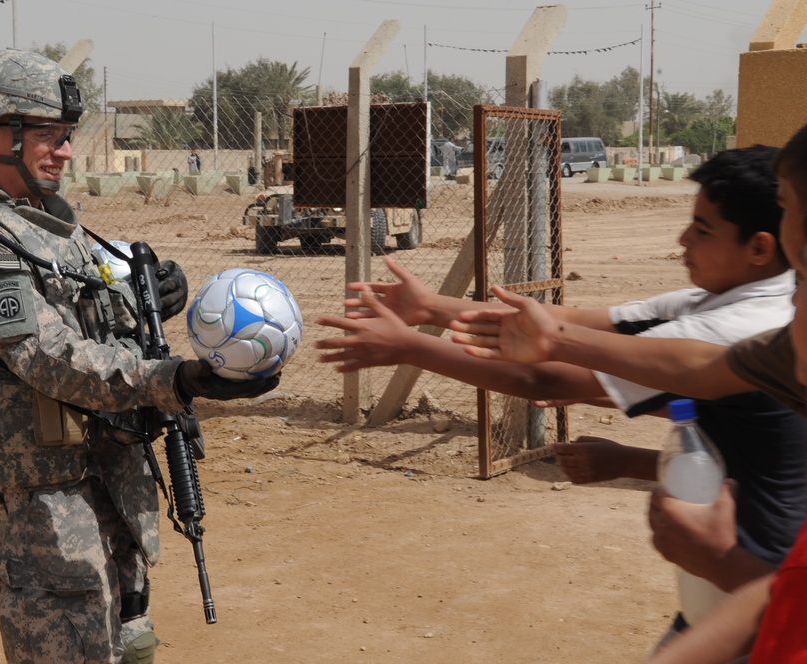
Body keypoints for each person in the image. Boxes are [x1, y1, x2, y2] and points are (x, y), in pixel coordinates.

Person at [315, 145, 807, 645]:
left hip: (761, 594)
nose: (682, 239)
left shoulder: (738, 325)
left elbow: (546, 378)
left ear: (760, 248)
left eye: (702, 231)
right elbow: (571, 325)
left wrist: (411, 346)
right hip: (728, 592)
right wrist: (433, 308)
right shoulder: (723, 300)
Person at [0, 49, 277, 664]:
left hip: (112, 484)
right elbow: (50, 358)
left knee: (130, 644)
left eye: (65, 137)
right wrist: (176, 380)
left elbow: (101, 313)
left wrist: (152, 298)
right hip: (51, 505)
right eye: (47, 136)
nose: (63, 152)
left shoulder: (57, 233)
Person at [454, 126, 807, 663]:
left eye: (803, 280)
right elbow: (704, 380)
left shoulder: (748, 319)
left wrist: (725, 563)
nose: (791, 308)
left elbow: (549, 379)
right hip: (723, 607)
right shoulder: (736, 324)